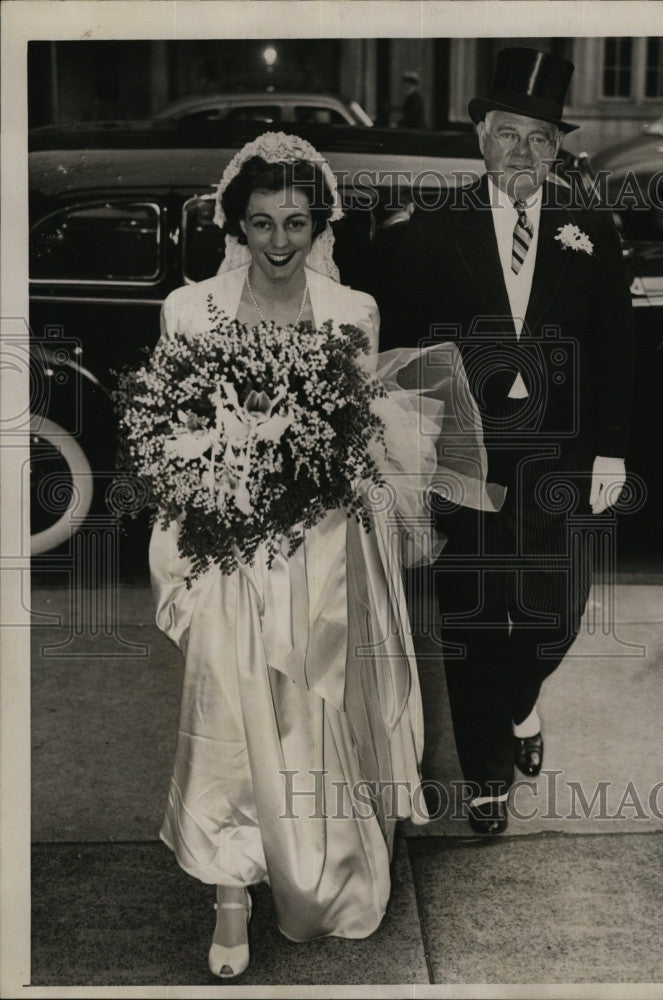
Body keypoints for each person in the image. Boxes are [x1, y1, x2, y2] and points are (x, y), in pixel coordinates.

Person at [148, 133, 432, 978]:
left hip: (323, 551)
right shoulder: (188, 309)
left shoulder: (354, 312)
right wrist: (218, 491)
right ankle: (231, 889)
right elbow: (169, 436)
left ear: (320, 226)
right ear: (234, 223)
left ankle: (321, 868)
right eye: (263, 222)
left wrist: (325, 481)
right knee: (231, 718)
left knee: (313, 718)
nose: (280, 242)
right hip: (229, 551)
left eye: (297, 223)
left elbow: (367, 436)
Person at [389, 47, 635, 834]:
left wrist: (611, 449)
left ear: (557, 148)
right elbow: (405, 347)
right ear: (479, 137)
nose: (521, 152)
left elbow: (616, 346)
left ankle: (522, 700)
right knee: (468, 615)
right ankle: (488, 774)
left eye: (539, 137)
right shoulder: (434, 229)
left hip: (559, 452)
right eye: (506, 134)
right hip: (464, 453)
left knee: (555, 610)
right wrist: (414, 451)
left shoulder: (588, 228)